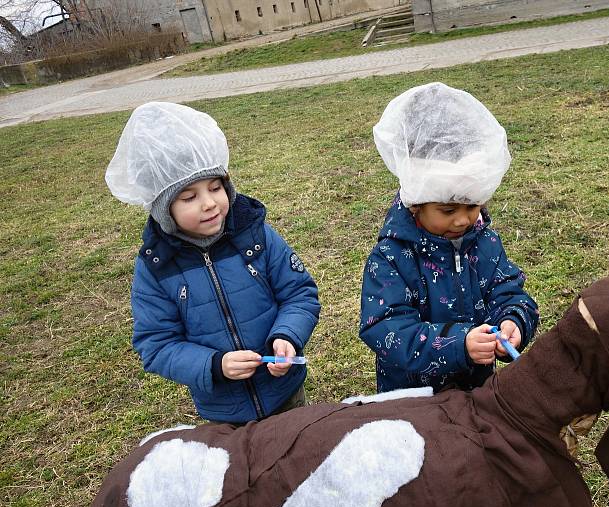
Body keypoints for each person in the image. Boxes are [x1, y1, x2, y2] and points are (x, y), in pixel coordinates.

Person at [105, 102, 320, 424]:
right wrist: (214, 365)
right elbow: (156, 344)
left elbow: (299, 294)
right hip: (224, 411)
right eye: (189, 197)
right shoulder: (156, 267)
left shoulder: (256, 235)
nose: (209, 204)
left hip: (284, 392)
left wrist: (287, 336)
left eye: (216, 188)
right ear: (164, 209)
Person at [360, 82, 539, 393]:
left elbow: (509, 292)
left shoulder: (484, 241)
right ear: (416, 203)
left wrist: (514, 321)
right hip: (416, 401)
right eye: (447, 209)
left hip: (476, 393)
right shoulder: (391, 257)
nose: (462, 219)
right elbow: (385, 327)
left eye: (472, 205)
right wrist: (458, 345)